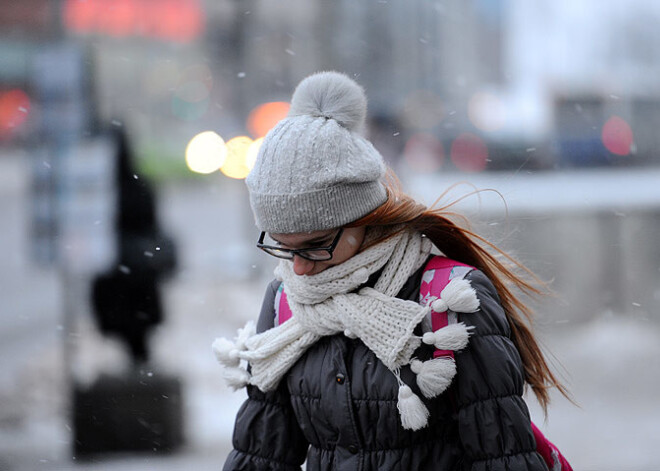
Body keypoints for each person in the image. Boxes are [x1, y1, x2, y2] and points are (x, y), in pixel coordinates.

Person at [214, 71, 570, 470]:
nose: (297, 267)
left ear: (362, 218)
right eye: (281, 245)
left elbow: (502, 456)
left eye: (315, 245)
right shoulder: (286, 301)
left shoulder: (450, 300)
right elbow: (261, 455)